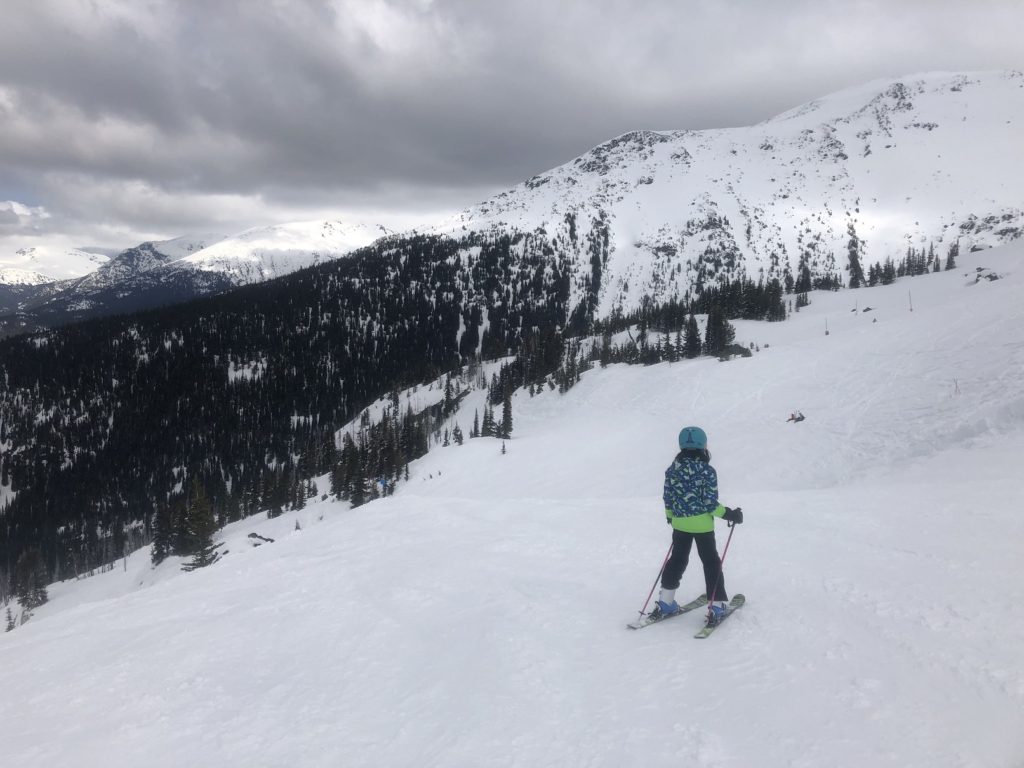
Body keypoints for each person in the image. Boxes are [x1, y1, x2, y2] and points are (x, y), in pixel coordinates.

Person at [653, 426, 743, 624]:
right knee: (711, 562)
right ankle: (717, 606)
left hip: (679, 523)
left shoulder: (672, 469)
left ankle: (666, 602)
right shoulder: (707, 470)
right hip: (702, 526)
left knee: (677, 559)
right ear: (703, 445)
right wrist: (729, 514)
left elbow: (668, 497)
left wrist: (670, 516)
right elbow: (710, 504)